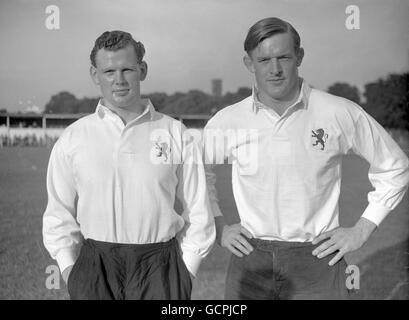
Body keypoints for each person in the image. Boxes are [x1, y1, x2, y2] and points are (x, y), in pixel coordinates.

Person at [204, 17, 409, 300]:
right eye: (264, 60)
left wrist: (362, 229)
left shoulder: (339, 112)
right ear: (249, 64)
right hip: (250, 259)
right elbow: (195, 173)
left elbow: (395, 167)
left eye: (283, 57)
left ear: (299, 56)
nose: (275, 70)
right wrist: (218, 226)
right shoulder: (228, 120)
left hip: (319, 259)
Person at [43, 30, 215, 300]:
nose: (119, 80)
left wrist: (186, 272)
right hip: (95, 266)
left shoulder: (176, 133)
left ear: (142, 70)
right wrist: (71, 272)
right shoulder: (73, 137)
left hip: (160, 265)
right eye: (109, 71)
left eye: (127, 69)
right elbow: (58, 214)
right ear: (94, 75)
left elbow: (198, 210)